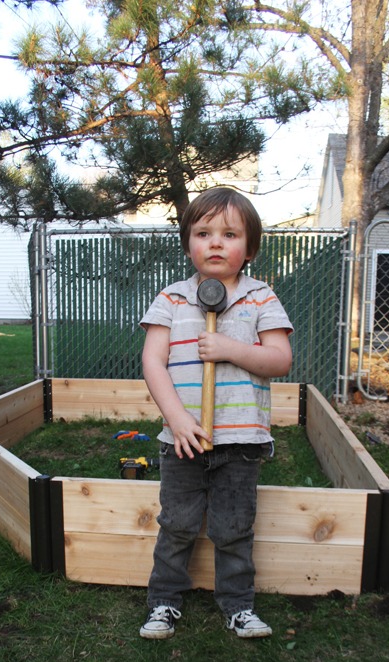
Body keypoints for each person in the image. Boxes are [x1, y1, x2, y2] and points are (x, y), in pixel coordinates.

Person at [139, 186, 293, 639]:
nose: (216, 242)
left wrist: (230, 348)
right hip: (183, 441)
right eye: (203, 232)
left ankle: (238, 607)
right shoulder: (171, 298)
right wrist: (178, 419)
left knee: (233, 529)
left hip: (241, 442)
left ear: (250, 249)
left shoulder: (261, 297)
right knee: (177, 525)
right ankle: (164, 603)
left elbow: (279, 359)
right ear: (189, 242)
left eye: (229, 234)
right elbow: (152, 362)